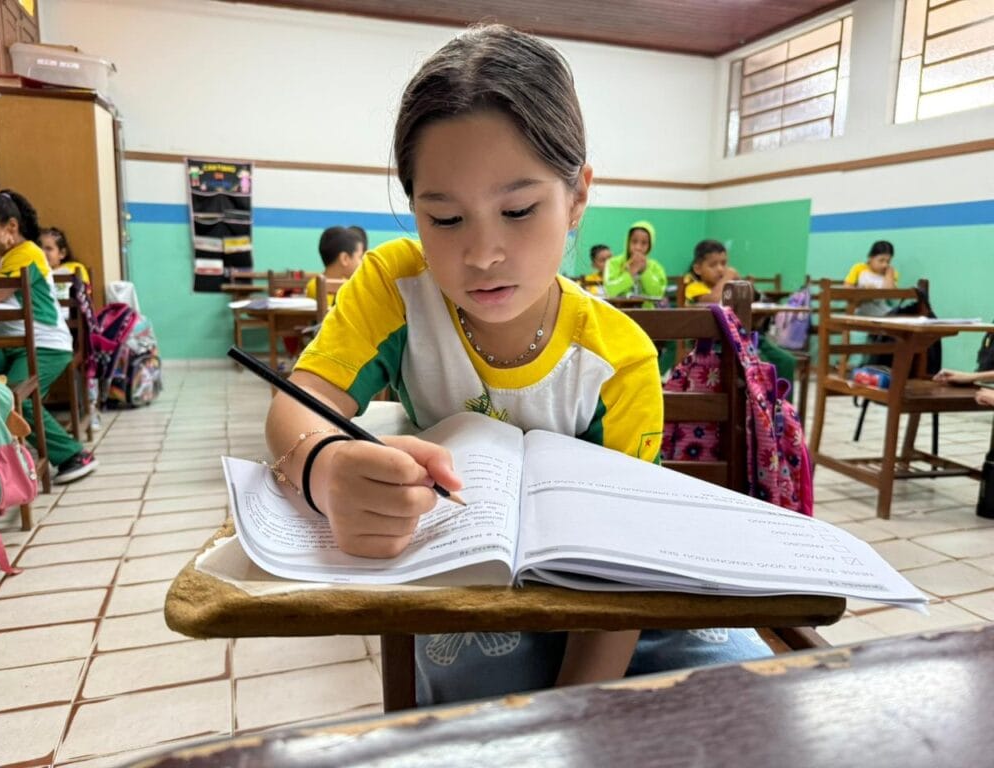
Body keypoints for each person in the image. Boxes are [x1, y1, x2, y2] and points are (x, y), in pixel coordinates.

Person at [265, 24, 768, 706]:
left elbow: (623, 568)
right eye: (443, 218)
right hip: (473, 583)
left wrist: (570, 713)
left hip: (614, 602)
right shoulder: (396, 286)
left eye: (520, 210)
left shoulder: (617, 361)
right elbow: (300, 397)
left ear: (578, 197)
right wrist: (322, 464)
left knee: (744, 693)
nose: (482, 254)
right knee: (473, 697)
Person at [0, 190, 98, 483]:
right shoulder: (4, 256)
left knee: (16, 398)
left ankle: (73, 455)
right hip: (13, 346)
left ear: (11, 228)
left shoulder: (26, 253)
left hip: (45, 346)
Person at [684, 239, 797, 395]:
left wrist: (747, 287)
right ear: (697, 268)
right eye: (713, 265)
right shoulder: (693, 286)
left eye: (724, 264)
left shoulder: (730, 286)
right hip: (713, 343)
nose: (721, 269)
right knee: (760, 361)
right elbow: (712, 301)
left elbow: (749, 313)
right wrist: (727, 278)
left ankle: (780, 410)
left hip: (743, 338)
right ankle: (758, 407)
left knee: (786, 361)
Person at [603, 221, 667, 301]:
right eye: (634, 241)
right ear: (627, 242)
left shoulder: (656, 267)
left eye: (644, 243)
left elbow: (658, 294)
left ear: (650, 246)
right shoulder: (613, 263)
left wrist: (645, 271)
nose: (638, 247)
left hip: (647, 311)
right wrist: (630, 273)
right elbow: (610, 291)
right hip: (619, 310)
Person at [304, 225, 364, 303]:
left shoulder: (348, 283)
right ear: (344, 259)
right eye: (360, 257)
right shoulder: (316, 286)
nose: (362, 262)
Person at [844, 240, 897, 317]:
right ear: (870, 258)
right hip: (861, 306)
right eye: (881, 260)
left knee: (895, 314)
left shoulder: (889, 272)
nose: (885, 265)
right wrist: (864, 291)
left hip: (881, 308)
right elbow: (847, 288)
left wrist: (889, 274)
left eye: (888, 261)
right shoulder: (859, 268)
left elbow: (889, 294)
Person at [39, 227, 90, 300]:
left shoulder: (73, 269)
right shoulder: (33, 271)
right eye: (39, 248)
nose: (42, 253)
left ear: (62, 253)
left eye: (49, 248)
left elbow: (85, 295)